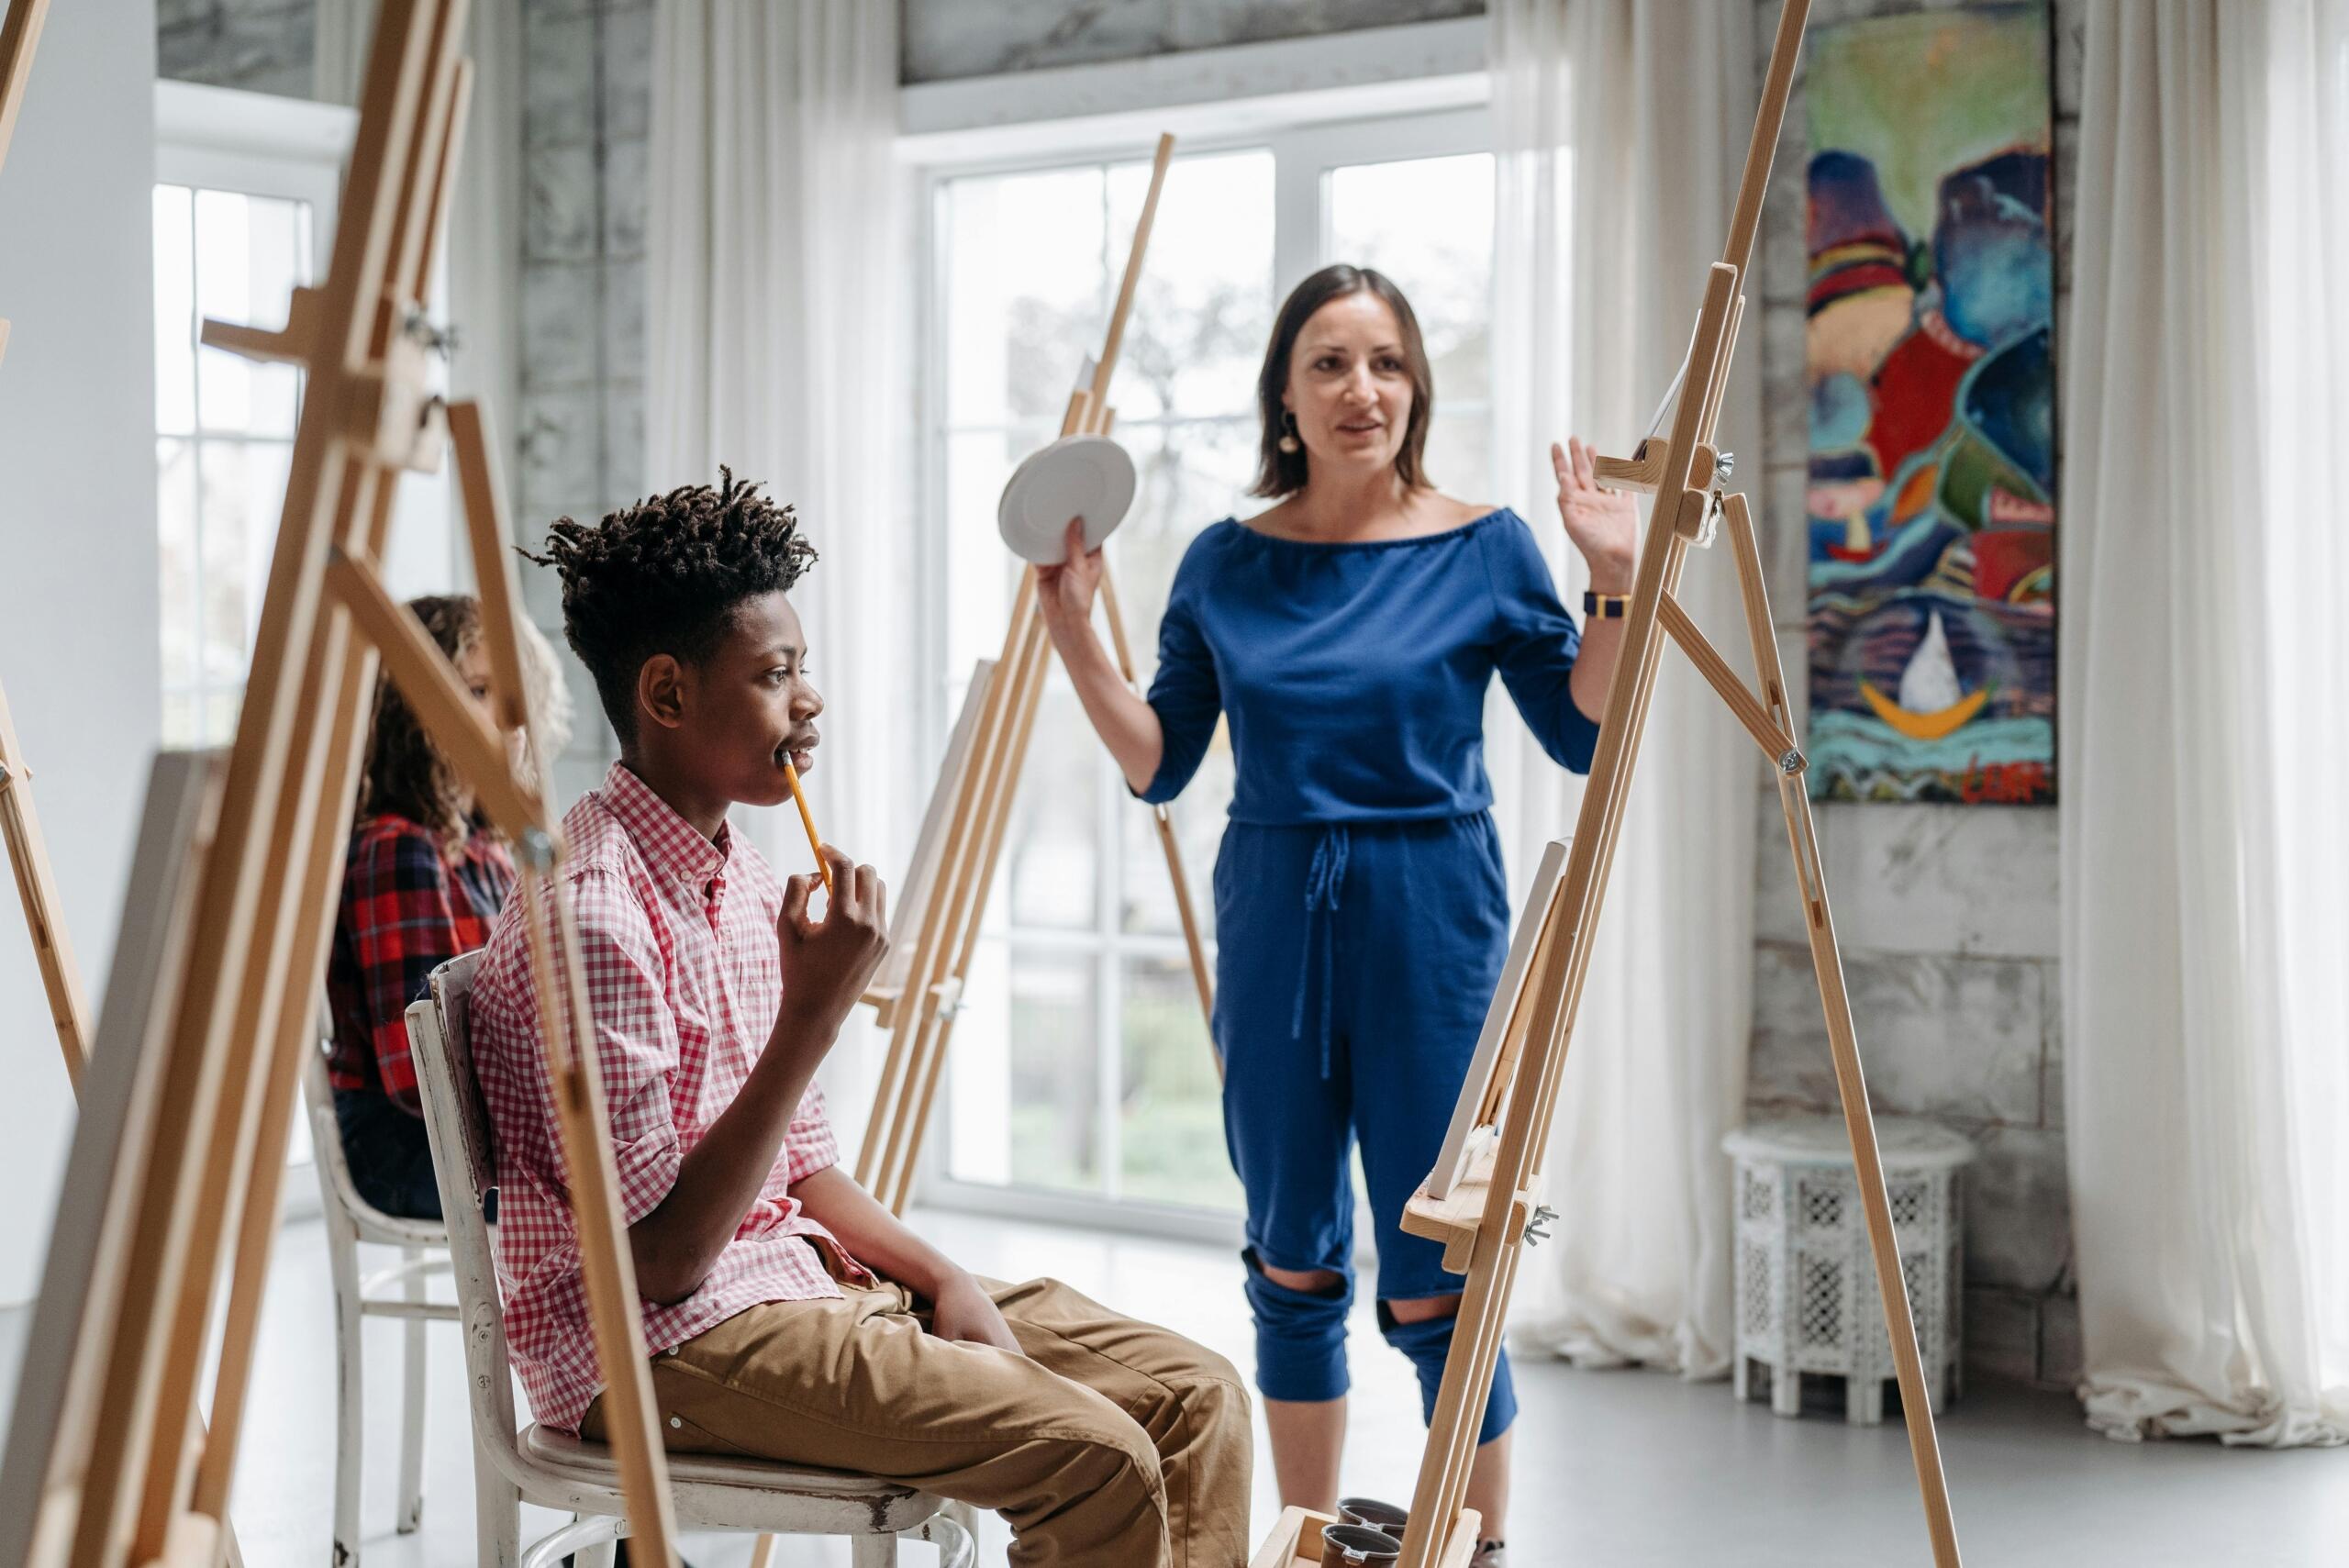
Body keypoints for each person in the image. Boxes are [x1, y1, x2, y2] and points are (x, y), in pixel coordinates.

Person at [473, 473, 1252, 1568]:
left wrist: (944, 1277)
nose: (810, 700)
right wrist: (812, 1017)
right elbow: (660, 1261)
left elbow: (805, 1171)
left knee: (1196, 1393)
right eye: (776, 673)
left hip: (793, 1278)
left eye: (803, 668)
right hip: (657, 1346)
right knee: (1100, 1456)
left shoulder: (737, 872)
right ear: (664, 694)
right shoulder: (597, 913)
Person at [1033, 263, 1640, 1568]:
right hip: (1273, 914)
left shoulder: (1486, 546)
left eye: (1386, 362)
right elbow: (1160, 761)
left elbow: (1581, 731)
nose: (1361, 388)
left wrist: (1612, 580)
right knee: (1292, 1254)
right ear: (1287, 396)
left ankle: (1471, 1548)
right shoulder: (1224, 561)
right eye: (1329, 362)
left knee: (1438, 1265)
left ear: (1414, 388)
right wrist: (1077, 637)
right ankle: (1301, 1542)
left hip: (1435, 916)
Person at [324, 593, 570, 1218]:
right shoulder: (398, 850)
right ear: (413, 709)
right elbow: (420, 1076)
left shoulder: (487, 846)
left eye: (513, 694)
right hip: (405, 1147)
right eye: (480, 691)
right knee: (616, 1201)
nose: (509, 718)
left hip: (473, 1135)